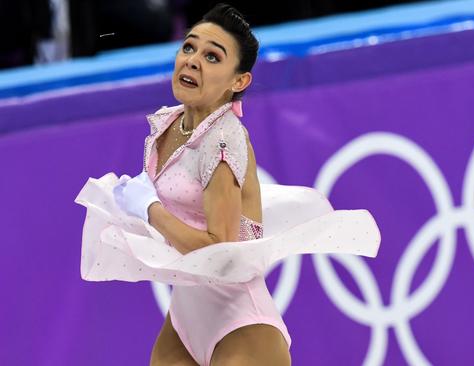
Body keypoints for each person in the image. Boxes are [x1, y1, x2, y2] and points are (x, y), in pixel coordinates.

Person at [74, 3, 380, 366]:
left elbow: (218, 250)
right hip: (186, 316)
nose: (192, 60)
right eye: (189, 47)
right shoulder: (169, 125)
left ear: (239, 81)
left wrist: (149, 209)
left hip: (242, 326)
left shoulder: (223, 140)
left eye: (212, 57)